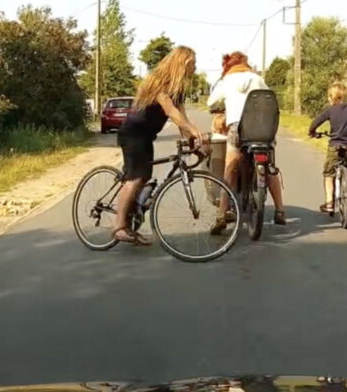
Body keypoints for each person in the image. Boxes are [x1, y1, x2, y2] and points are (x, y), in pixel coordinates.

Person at [113, 46, 207, 246]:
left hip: (146, 136)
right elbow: (171, 112)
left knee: (144, 176)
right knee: (135, 178)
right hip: (133, 134)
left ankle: (132, 218)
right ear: (183, 63)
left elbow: (181, 117)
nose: (195, 68)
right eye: (193, 64)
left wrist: (191, 141)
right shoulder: (159, 83)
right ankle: (119, 226)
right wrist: (194, 129)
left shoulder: (178, 89)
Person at [206, 51, 286, 233]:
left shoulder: (226, 81)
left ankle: (221, 214)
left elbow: (211, 102)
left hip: (238, 128)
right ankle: (280, 210)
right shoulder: (257, 78)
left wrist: (222, 106)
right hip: (263, 129)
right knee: (270, 166)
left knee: (230, 168)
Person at [308, 82, 347, 220]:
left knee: (328, 173)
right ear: (344, 96)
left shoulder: (330, 110)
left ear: (330, 97)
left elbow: (314, 123)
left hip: (335, 146)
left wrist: (312, 132)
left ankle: (329, 202)